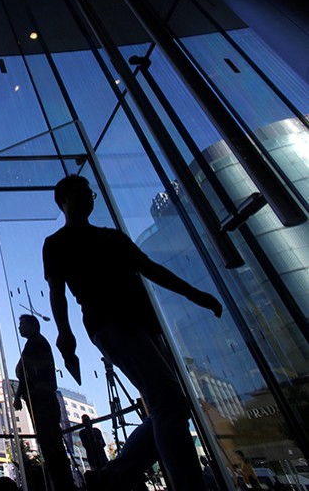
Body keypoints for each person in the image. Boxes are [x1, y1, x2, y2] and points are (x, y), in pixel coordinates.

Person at [44, 174, 223, 491]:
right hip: (111, 324)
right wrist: (64, 334)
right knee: (169, 403)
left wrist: (193, 293)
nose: (88, 197)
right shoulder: (57, 243)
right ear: (64, 197)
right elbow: (57, 293)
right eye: (82, 191)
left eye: (90, 193)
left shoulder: (112, 237)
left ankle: (112, 477)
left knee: (167, 405)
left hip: (141, 324)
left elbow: (150, 267)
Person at [12, 314, 74, 491]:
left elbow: (21, 370)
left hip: (42, 401)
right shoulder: (35, 344)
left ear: (33, 326)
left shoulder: (35, 344)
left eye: (22, 324)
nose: (20, 328)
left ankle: (64, 485)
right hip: (40, 400)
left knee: (51, 446)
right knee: (51, 445)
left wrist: (17, 396)